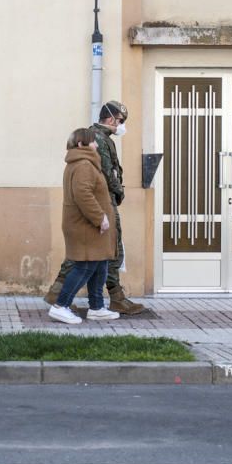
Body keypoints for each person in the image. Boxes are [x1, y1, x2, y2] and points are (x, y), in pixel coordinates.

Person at [44, 101, 147, 315]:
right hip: (103, 203)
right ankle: (64, 300)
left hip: (103, 203)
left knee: (99, 255)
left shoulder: (100, 140)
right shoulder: (96, 140)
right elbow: (104, 177)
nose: (121, 126)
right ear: (111, 119)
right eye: (120, 121)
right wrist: (113, 200)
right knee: (97, 254)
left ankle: (98, 303)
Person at [49, 127, 121, 325]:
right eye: (93, 141)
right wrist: (100, 217)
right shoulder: (83, 165)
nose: (96, 144)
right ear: (81, 144)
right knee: (85, 265)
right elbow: (83, 194)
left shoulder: (83, 163)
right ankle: (61, 306)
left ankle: (97, 307)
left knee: (100, 262)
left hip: (89, 225)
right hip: (87, 225)